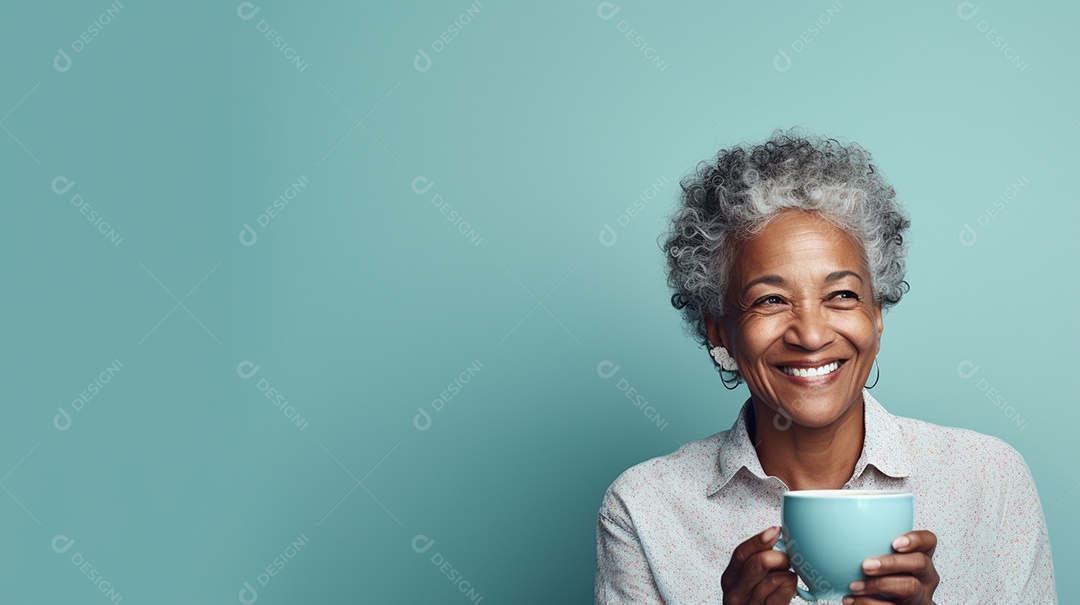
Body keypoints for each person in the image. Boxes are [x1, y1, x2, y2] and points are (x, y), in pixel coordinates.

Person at [594, 130, 1057, 604]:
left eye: (841, 296)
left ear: (876, 318)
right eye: (770, 299)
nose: (811, 336)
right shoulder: (645, 510)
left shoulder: (989, 481)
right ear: (719, 331)